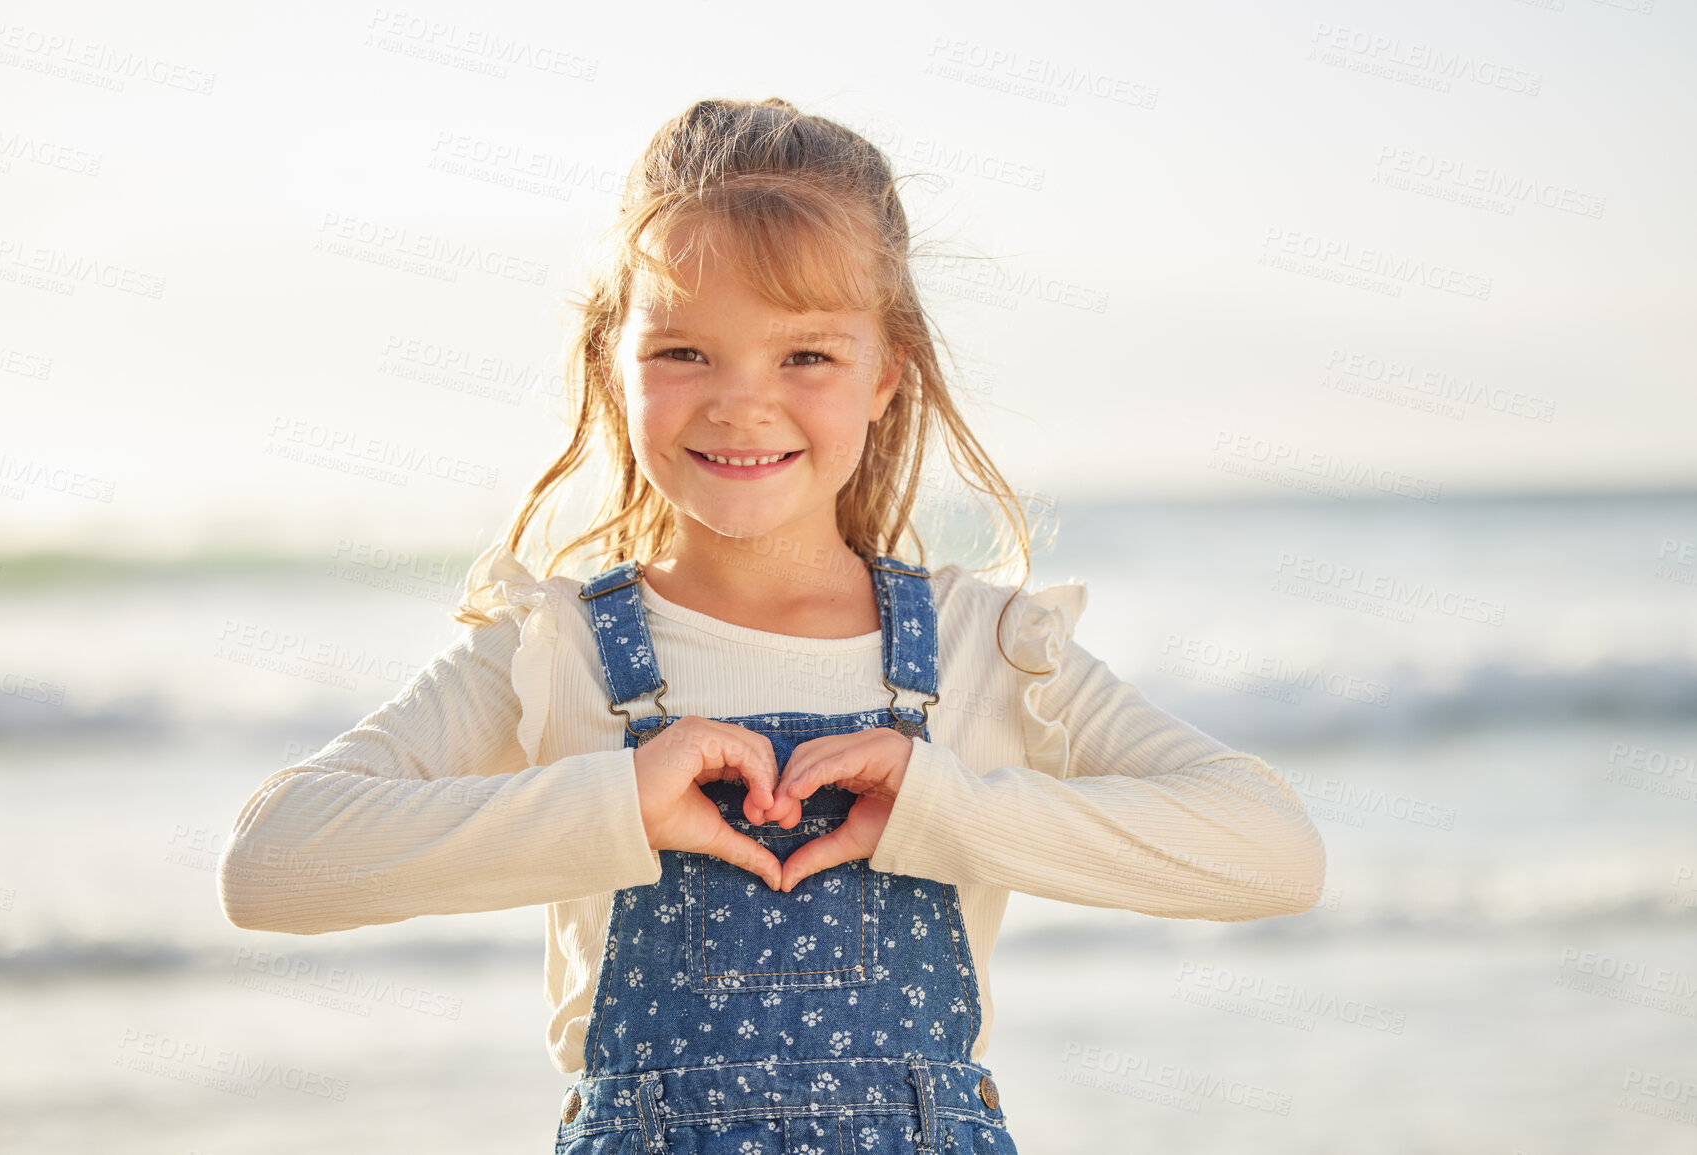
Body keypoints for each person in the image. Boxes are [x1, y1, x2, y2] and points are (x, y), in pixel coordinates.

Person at [218, 97, 1326, 1154]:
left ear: (886, 371)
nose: (742, 402)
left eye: (804, 354)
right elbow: (271, 866)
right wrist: (618, 802)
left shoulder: (988, 648)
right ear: (615, 360)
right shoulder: (548, 648)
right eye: (683, 350)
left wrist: (941, 808)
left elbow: (1273, 855)